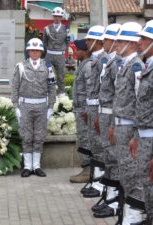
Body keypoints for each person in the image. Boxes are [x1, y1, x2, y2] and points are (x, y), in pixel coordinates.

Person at [111, 22, 144, 225]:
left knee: (133, 175)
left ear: (131, 44)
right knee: (124, 172)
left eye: (120, 41)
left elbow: (141, 101)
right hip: (121, 125)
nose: (115, 45)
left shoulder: (136, 66)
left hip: (131, 127)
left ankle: (133, 218)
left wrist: (135, 134)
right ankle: (126, 215)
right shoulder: (124, 65)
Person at [11, 38, 56, 177]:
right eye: (32, 50)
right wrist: (16, 106)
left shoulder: (48, 67)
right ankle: (27, 166)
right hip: (25, 105)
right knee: (26, 136)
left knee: (39, 136)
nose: (35, 52)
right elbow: (15, 87)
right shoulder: (20, 66)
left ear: (41, 52)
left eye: (37, 50)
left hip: (41, 105)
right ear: (28, 51)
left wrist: (50, 106)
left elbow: (52, 87)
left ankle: (36, 166)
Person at [92, 23, 122, 219]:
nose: (105, 44)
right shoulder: (109, 61)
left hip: (112, 115)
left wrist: (111, 122)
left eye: (108, 41)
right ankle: (110, 196)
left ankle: (115, 201)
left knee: (114, 159)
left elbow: (119, 95)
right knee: (108, 157)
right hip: (104, 113)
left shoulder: (118, 63)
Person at [128, 20, 153, 225]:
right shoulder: (147, 67)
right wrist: (136, 136)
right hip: (144, 138)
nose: (139, 42)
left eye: (144, 38)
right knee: (147, 185)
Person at [82, 25, 109, 199]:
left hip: (99, 107)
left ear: (99, 42)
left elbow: (103, 90)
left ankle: (100, 183)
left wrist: (98, 112)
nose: (87, 42)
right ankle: (96, 179)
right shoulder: (94, 59)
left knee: (100, 146)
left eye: (90, 40)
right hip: (92, 106)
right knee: (94, 145)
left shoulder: (103, 60)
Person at [69, 39, 92, 183]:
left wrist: (88, 109)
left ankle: (88, 171)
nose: (75, 52)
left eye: (77, 49)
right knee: (82, 139)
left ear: (85, 51)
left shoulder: (88, 66)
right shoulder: (83, 65)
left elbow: (91, 89)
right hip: (80, 109)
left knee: (85, 140)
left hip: (84, 110)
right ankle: (86, 169)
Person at [43, 6, 69, 96]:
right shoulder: (47, 28)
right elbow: (45, 42)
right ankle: (47, 93)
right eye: (55, 16)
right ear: (53, 16)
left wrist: (62, 51)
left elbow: (67, 42)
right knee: (47, 75)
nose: (57, 18)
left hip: (60, 55)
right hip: (49, 55)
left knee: (61, 76)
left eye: (59, 16)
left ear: (61, 17)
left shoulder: (66, 29)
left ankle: (61, 93)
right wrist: (49, 50)